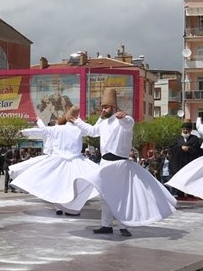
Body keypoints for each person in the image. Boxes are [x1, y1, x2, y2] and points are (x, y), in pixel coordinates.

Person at [71, 89, 176, 235]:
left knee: (121, 195)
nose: (103, 110)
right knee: (105, 196)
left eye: (106, 107)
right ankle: (106, 225)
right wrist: (77, 121)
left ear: (114, 107)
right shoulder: (103, 122)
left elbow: (129, 123)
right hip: (105, 164)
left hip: (120, 165)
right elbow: (93, 131)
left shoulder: (124, 121)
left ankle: (123, 226)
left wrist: (123, 117)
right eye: (102, 107)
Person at [10, 106, 98, 215]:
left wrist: (37, 121)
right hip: (75, 161)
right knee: (72, 185)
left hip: (58, 161)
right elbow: (92, 130)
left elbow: (42, 130)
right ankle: (70, 207)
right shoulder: (79, 129)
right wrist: (86, 121)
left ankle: (59, 208)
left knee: (57, 184)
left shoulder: (57, 128)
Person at [168, 120, 202, 198]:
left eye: (187, 129)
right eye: (184, 129)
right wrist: (180, 148)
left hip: (189, 163)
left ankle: (190, 193)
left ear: (190, 130)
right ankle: (179, 193)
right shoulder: (177, 139)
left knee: (190, 179)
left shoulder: (194, 139)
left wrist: (189, 149)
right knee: (179, 179)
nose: (185, 131)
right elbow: (172, 149)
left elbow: (197, 150)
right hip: (178, 163)